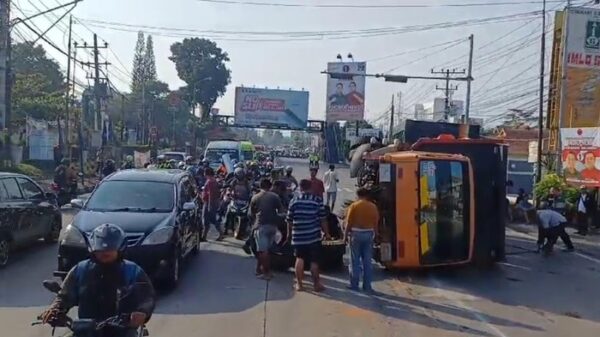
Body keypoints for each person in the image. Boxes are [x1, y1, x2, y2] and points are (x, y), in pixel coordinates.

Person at [40, 224, 155, 337]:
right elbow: (65, 295)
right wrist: (55, 309)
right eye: (100, 250)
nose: (104, 253)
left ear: (120, 249)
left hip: (123, 330)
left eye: (110, 250)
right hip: (85, 330)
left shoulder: (133, 270)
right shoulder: (81, 269)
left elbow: (147, 297)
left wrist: (142, 312)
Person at [286, 179, 330, 292]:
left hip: (298, 237)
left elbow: (289, 220)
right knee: (314, 261)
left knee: (299, 259)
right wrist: (327, 233)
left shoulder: (294, 201)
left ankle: (299, 285)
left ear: (300, 188)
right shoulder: (317, 200)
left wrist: (289, 234)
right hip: (313, 237)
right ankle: (316, 285)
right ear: (310, 187)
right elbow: (323, 219)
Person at [344, 188, 380, 292]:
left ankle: (354, 285)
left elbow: (348, 222)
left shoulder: (354, 206)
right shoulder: (373, 207)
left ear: (357, 195)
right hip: (368, 234)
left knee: (354, 260)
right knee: (367, 261)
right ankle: (367, 286)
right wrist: (376, 235)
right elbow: (376, 223)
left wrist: (345, 236)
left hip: (356, 234)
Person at [249, 179, 284, 280]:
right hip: (273, 227)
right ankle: (258, 269)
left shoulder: (255, 197)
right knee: (265, 250)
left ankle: (267, 273)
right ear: (270, 186)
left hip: (261, 226)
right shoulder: (275, 197)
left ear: (260, 186)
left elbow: (251, 214)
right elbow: (281, 211)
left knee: (262, 251)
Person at [202, 168, 223, 241]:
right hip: (210, 202)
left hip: (209, 203)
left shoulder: (210, 182)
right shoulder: (212, 181)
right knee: (208, 220)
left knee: (210, 219)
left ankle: (220, 233)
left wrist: (209, 206)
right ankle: (204, 236)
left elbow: (211, 194)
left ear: (207, 173)